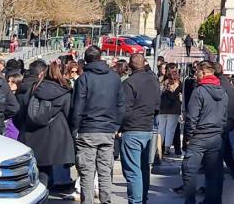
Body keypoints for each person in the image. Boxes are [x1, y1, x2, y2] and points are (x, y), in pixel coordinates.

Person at [69, 45, 126, 204]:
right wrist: (116, 126)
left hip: (87, 129)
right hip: (107, 129)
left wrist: (75, 128)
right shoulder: (114, 78)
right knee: (105, 171)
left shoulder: (84, 79)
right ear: (100, 57)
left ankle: (87, 201)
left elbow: (77, 107)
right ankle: (106, 201)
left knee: (87, 172)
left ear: (86, 60)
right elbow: (122, 105)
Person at [18, 61, 75, 190]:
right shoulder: (65, 92)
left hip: (31, 134)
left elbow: (21, 112)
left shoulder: (33, 88)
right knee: (46, 172)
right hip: (54, 138)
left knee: (36, 171)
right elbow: (70, 117)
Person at [182, 60, 227, 204]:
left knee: (189, 171)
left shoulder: (199, 91)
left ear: (204, 72)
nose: (195, 75)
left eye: (197, 72)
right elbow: (225, 116)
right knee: (214, 174)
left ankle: (190, 201)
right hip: (216, 137)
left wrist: (188, 136)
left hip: (199, 137)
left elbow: (191, 117)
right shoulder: (223, 91)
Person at [120, 53, 160, 204]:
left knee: (133, 170)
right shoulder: (153, 81)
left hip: (132, 129)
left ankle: (136, 201)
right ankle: (142, 198)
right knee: (143, 168)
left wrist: (121, 126)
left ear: (130, 65)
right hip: (147, 128)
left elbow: (124, 109)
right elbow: (157, 106)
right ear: (145, 64)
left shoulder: (129, 83)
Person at [215, 63, 234, 178]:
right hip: (228, 121)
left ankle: (215, 179)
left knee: (218, 152)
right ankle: (232, 168)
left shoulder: (219, 86)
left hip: (221, 122)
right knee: (226, 147)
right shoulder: (228, 84)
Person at [159, 63, 183, 157]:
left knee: (161, 128)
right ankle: (166, 148)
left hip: (163, 107)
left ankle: (159, 146)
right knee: (170, 129)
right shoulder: (178, 82)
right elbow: (178, 93)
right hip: (173, 108)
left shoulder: (162, 80)